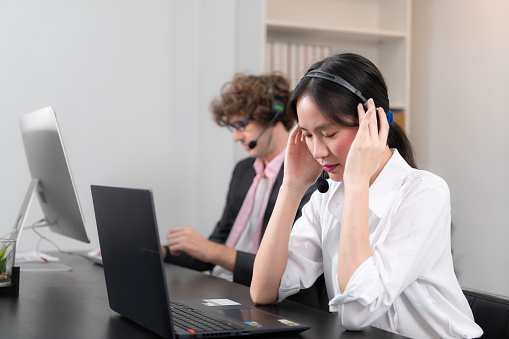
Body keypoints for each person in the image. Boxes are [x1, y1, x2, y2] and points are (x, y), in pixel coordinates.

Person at [250, 53, 483, 338]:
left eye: (330, 133)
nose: (318, 151)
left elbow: (357, 312)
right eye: (308, 135)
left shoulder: (425, 193)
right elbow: (263, 290)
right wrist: (292, 187)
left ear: (373, 124)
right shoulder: (329, 195)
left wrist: (358, 183)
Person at [161, 73, 318, 290]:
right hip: (224, 287)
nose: (236, 137)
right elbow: (214, 246)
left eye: (241, 125)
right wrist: (160, 252)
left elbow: (289, 270)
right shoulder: (243, 170)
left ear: (272, 116)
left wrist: (212, 251)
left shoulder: (305, 176)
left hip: (266, 295)